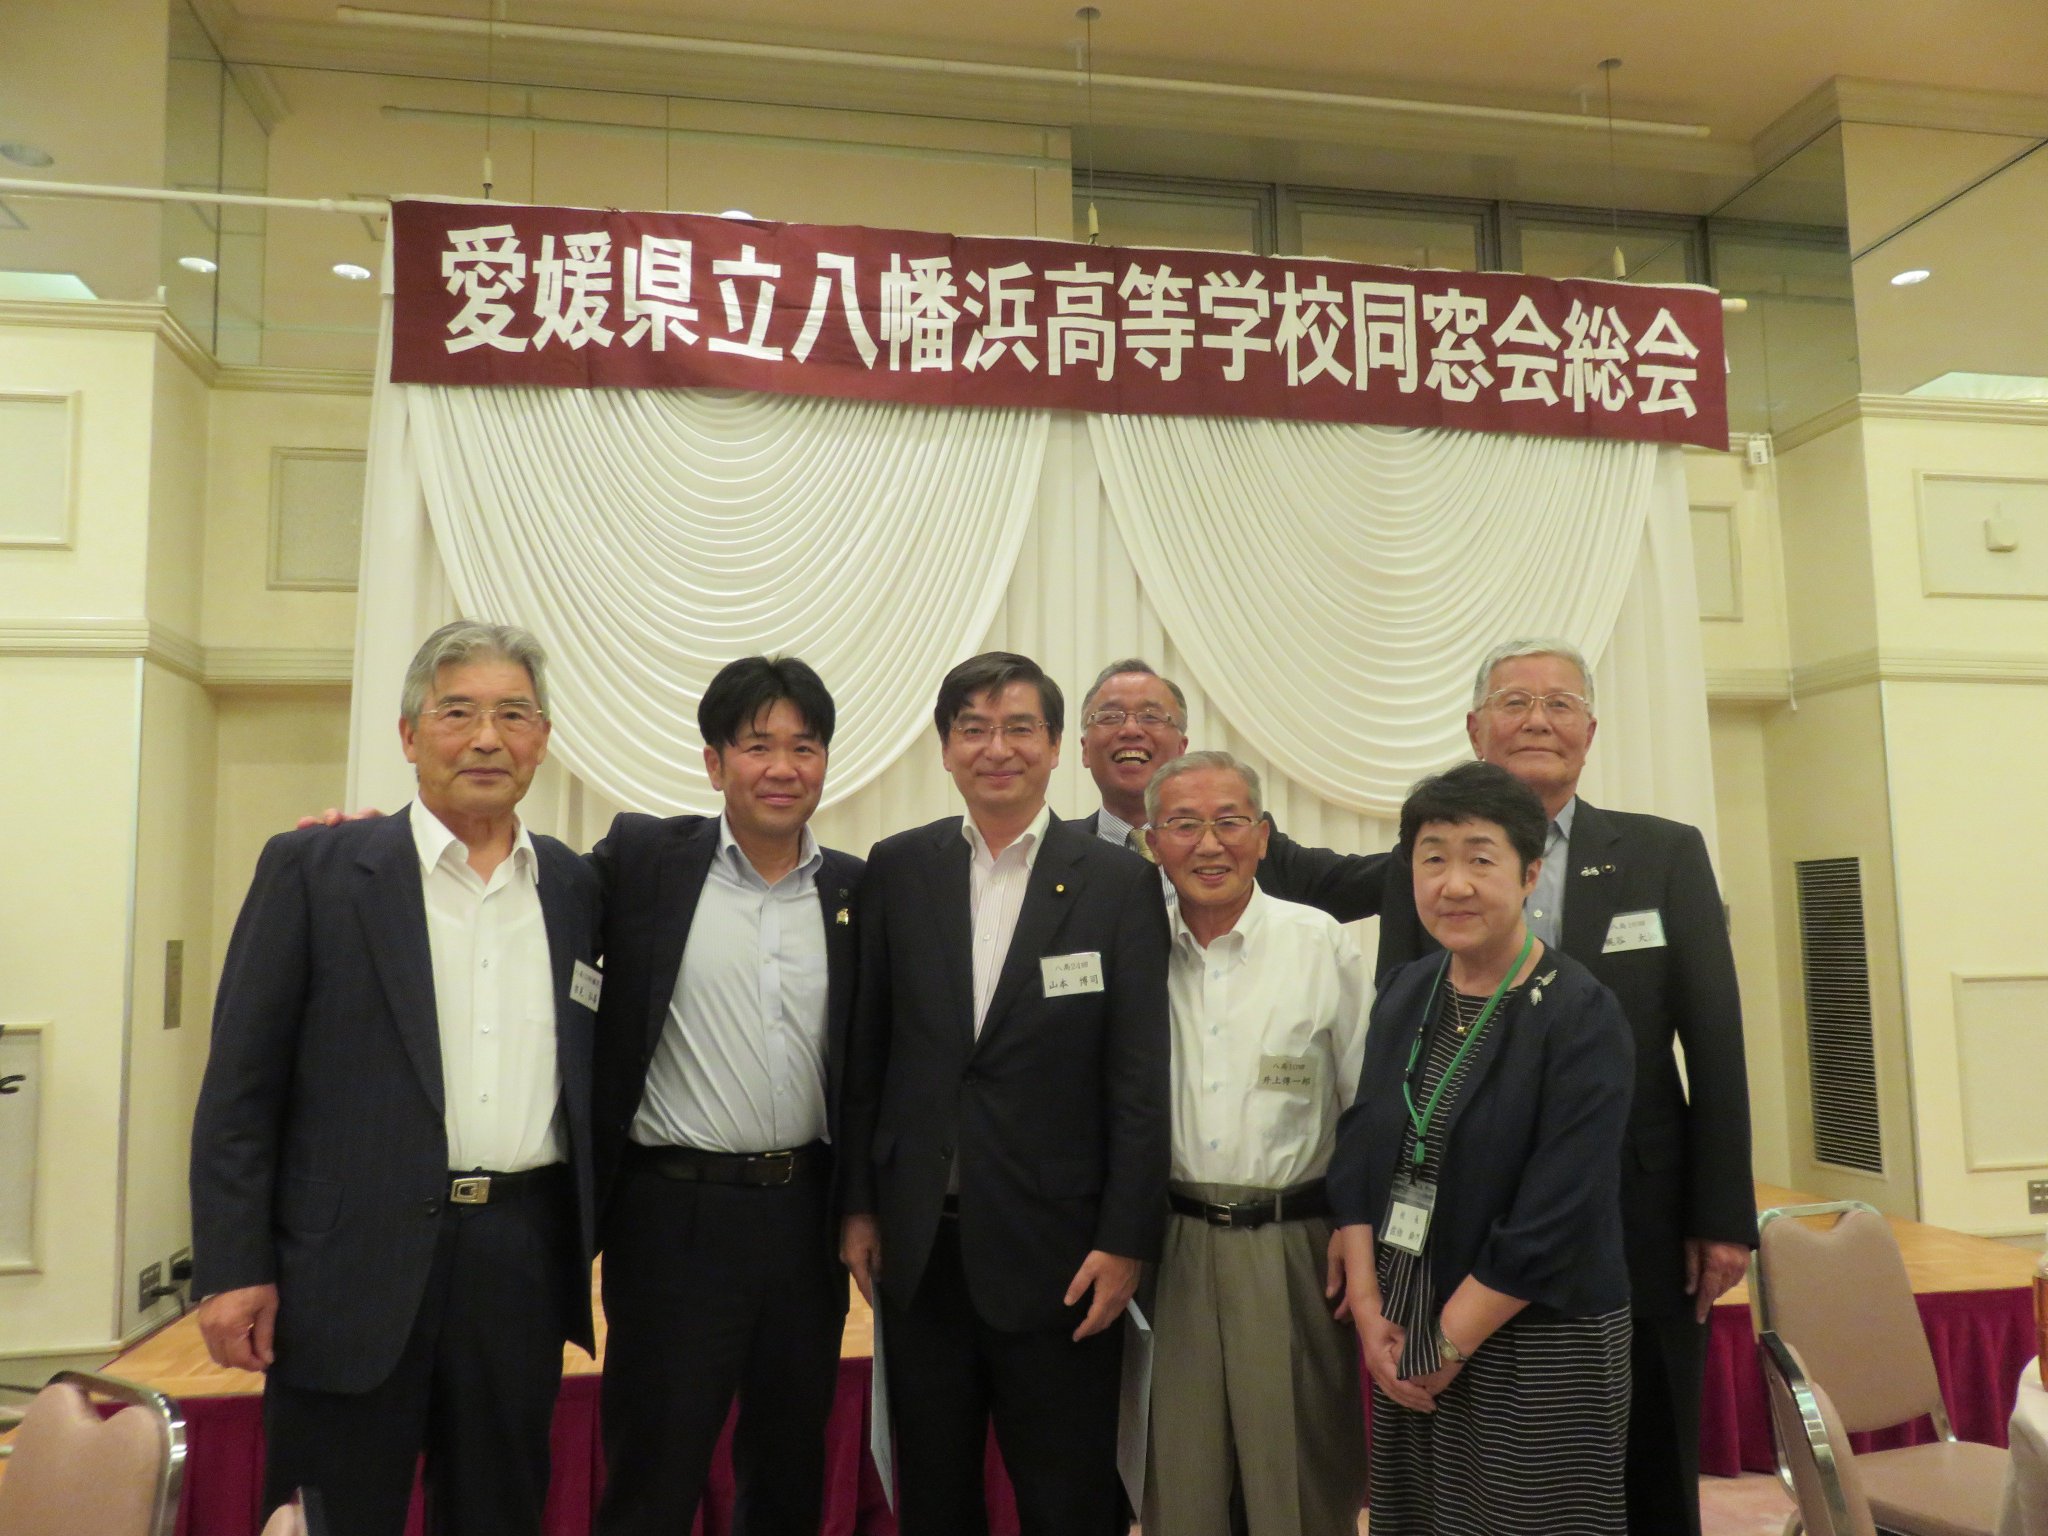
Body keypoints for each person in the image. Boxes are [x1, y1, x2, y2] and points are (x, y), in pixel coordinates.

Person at [189, 621, 604, 1536]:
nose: (487, 738)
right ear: (410, 735)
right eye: (457, 713)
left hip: (517, 1262)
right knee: (332, 1516)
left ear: (542, 739)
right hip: (346, 1267)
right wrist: (233, 1268)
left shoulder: (576, 888)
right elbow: (241, 1090)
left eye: (513, 714)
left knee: (500, 1513)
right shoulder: (318, 869)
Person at [1375, 638, 1755, 1536]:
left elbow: (1715, 1037)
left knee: (1652, 1451)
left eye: (1560, 704)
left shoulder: (1663, 852)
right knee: (1491, 1464)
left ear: (1591, 729)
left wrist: (1722, 1213)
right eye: (1515, 702)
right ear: (1476, 727)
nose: (1537, 720)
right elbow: (1399, 1044)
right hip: (1470, 1214)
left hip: (1641, 1207)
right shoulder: (1426, 863)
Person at [838, 651, 1170, 1536]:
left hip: (1063, 1258)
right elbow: (869, 1054)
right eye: (974, 729)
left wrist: (1126, 1240)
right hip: (920, 1255)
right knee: (935, 1500)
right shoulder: (899, 869)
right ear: (946, 748)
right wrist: (860, 1205)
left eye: (1019, 728)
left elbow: (1139, 1079)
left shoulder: (1118, 883)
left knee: (1069, 1503)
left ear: (1056, 746)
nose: (997, 748)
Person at [589, 656, 863, 1536]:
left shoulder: (857, 890)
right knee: (654, 1473)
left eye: (804, 746)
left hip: (805, 1219)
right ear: (715, 763)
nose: (783, 767)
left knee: (788, 1472)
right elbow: (527, 884)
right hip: (673, 1218)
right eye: (757, 746)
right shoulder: (645, 864)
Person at [1329, 760, 1635, 1535]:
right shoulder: (1408, 989)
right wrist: (1369, 1307)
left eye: (1480, 859)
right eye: (1432, 858)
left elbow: (1558, 1211)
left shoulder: (1580, 1013)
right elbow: (1363, 1142)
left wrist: (1447, 1343)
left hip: (1536, 1338)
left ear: (1530, 874)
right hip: (1409, 1324)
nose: (1453, 884)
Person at [1140, 751, 1367, 1536]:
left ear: (1263, 836)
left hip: (1296, 1243)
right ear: (1152, 842)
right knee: (1182, 1488)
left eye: (1229, 821)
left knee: (1297, 1486)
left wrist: (1356, 1231)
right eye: (1184, 824)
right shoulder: (1134, 945)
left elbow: (1367, 1108)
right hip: (1169, 1246)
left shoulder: (1320, 942)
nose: (1210, 844)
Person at [1074, 658, 1390, 915]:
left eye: (1151, 716)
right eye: (1110, 717)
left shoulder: (1245, 842)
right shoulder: (1057, 853)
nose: (1131, 729)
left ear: (1182, 749)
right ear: (1085, 750)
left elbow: (1367, 881)